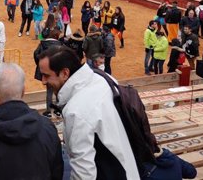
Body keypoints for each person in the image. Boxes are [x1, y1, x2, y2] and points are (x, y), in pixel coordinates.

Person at [38, 46, 139, 179]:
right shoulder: (103, 78)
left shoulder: (77, 111)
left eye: (46, 75)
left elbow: (83, 173)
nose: (43, 81)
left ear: (64, 73)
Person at [34, 29, 63, 117]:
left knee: (49, 91)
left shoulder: (42, 44)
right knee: (58, 90)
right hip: (57, 71)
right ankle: (58, 110)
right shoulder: (60, 45)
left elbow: (36, 54)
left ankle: (48, 111)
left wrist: (40, 64)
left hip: (47, 71)